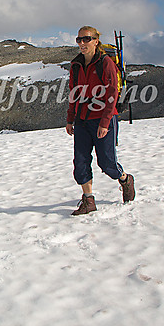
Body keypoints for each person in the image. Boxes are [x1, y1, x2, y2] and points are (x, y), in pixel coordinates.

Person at [65, 26, 135, 215]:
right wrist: (70, 119)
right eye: (78, 39)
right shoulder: (76, 65)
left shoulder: (105, 63)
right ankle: (88, 200)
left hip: (103, 119)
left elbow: (112, 93)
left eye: (86, 39)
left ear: (96, 41)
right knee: (80, 162)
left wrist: (105, 123)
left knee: (107, 163)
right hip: (82, 120)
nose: (82, 43)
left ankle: (125, 179)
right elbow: (74, 93)